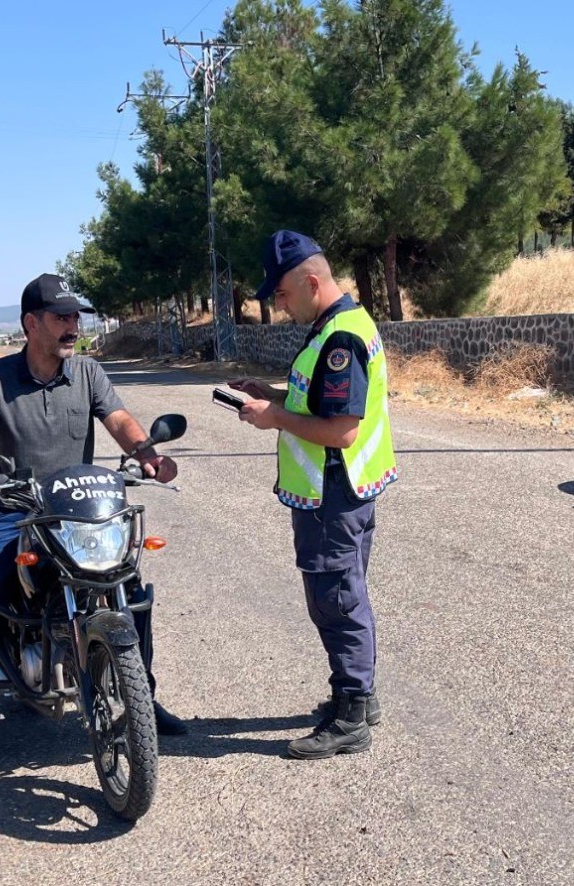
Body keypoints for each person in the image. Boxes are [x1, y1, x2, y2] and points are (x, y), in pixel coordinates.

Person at [0, 273, 186, 773]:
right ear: (31, 323)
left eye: (76, 316)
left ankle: (140, 695)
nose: (72, 326)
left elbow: (118, 419)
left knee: (132, 591)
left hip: (77, 508)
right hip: (15, 510)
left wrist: (145, 452)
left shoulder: (87, 372)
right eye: (61, 317)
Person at [229, 230, 397, 760]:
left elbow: (342, 430)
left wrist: (274, 418)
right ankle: (358, 698)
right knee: (345, 594)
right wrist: (275, 395)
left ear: (310, 280)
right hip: (344, 492)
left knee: (337, 601)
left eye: (279, 293)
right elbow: (320, 400)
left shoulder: (340, 338)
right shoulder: (338, 326)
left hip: (332, 495)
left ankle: (351, 716)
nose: (276, 303)